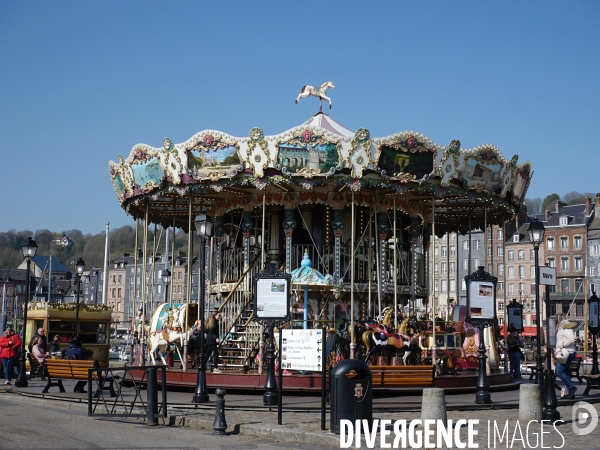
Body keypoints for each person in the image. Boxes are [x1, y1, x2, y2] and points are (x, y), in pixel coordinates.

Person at [555, 315, 577, 399]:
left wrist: (562, 345)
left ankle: (572, 387)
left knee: (559, 372)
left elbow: (571, 339)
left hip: (567, 352)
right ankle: (571, 394)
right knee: (566, 373)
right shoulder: (561, 327)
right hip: (566, 352)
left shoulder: (566, 327)